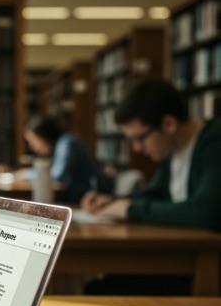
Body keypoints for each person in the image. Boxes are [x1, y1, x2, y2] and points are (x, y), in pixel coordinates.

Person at [81, 78, 221, 229]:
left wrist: (129, 209)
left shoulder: (215, 143)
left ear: (169, 124)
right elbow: (154, 195)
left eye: (140, 138)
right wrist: (111, 201)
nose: (136, 148)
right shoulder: (170, 148)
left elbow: (206, 213)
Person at [22, 114, 113, 203]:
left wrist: (26, 174)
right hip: (80, 197)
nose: (32, 147)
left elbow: (58, 174)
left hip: (92, 198)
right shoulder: (60, 145)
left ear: (44, 135)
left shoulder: (66, 143)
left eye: (33, 140)